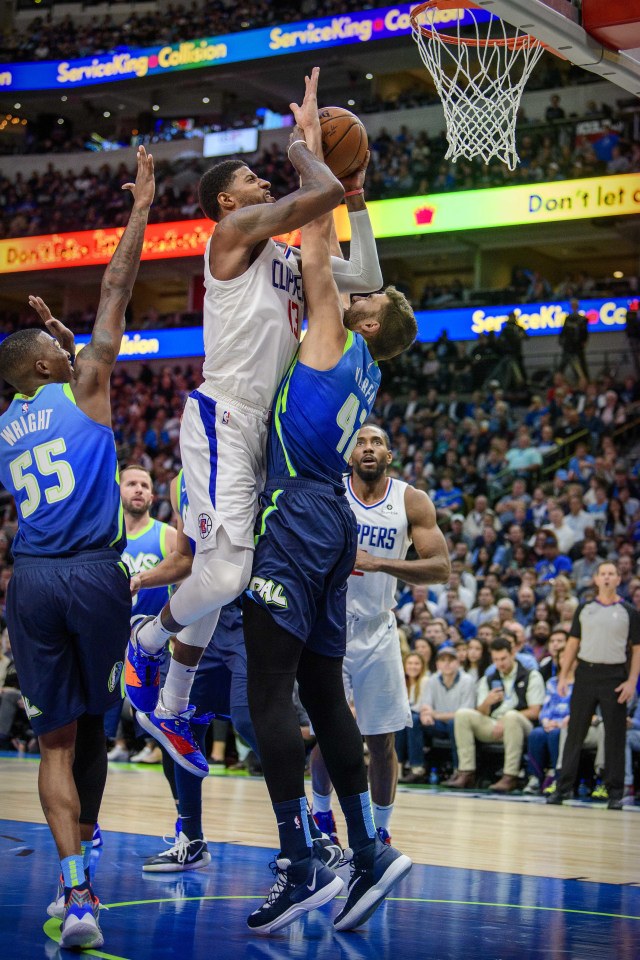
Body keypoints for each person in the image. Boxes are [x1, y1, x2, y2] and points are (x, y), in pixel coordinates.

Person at [125, 69, 383, 771]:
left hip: (255, 432)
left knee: (219, 569)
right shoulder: (234, 233)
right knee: (230, 573)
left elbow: (363, 277)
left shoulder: (284, 256)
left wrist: (352, 197)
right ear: (228, 200)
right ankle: (143, 648)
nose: (263, 181)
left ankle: (172, 707)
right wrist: (309, 145)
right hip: (223, 414)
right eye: (251, 175)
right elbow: (316, 191)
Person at [242, 118, 417, 933]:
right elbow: (347, 264)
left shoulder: (331, 335)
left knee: (268, 691)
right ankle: (370, 850)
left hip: (298, 515)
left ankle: (299, 859)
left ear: (367, 321)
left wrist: (310, 151)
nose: (356, 292)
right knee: (321, 692)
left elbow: (316, 246)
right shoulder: (366, 370)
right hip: (334, 521)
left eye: (366, 300)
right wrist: (344, 190)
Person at [0, 146, 155, 951]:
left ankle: (76, 894)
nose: (71, 351)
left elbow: (63, 363)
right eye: (58, 351)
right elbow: (117, 289)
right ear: (45, 367)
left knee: (53, 738)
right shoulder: (85, 382)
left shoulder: (5, 425)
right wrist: (138, 208)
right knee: (97, 725)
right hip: (94, 573)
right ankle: (85, 869)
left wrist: (61, 338)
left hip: (30, 579)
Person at [310, 424, 450, 829]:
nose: (368, 448)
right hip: (329, 625)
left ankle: (381, 832)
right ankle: (322, 816)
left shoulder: (411, 500)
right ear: (349, 455)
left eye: (377, 443)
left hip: (378, 628)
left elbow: (441, 568)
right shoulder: (330, 491)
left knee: (382, 740)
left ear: (389, 455)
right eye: (360, 442)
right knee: (330, 732)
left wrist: (379, 562)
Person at [548, 561, 640, 809]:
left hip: (615, 677)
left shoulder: (629, 612)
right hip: (586, 675)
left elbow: (636, 649)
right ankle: (563, 787)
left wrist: (632, 681)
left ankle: (615, 793)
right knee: (574, 733)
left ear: (619, 579)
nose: (608, 577)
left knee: (614, 736)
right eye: (603, 574)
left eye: (612, 573)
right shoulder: (584, 608)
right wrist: (564, 676)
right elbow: (572, 644)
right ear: (596, 579)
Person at [111, 464, 177, 764]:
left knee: (149, 704)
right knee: (113, 700)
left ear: (152, 495)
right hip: (113, 636)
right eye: (131, 484)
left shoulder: (169, 536)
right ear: (118, 491)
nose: (139, 489)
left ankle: (154, 746)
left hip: (155, 641)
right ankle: (120, 743)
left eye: (144, 485)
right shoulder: (106, 538)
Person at [447, 636, 544, 792]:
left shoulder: (531, 676)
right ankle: (466, 773)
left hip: (521, 725)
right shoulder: (489, 678)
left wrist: (506, 718)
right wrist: (487, 702)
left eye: (503, 658)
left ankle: (510, 776)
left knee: (512, 716)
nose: (500, 663)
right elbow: (481, 712)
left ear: (513, 653)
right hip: (494, 724)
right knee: (463, 714)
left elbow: (535, 711)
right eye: (496, 659)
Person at [420, 643, 475, 777]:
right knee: (415, 721)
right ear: (438, 664)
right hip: (438, 725)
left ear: (458, 663)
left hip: (459, 724)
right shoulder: (433, 679)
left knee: (455, 723)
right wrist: (424, 714)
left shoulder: (467, 680)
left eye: (450, 660)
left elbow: (465, 713)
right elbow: (426, 705)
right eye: (443, 660)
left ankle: (458, 770)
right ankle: (417, 768)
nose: (447, 664)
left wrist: (436, 715)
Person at [395, 652, 430, 783]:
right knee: (399, 722)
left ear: (422, 666)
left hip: (423, 718)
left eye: (416, 663)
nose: (413, 666)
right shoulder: (401, 682)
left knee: (411, 720)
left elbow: (422, 707)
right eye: (410, 663)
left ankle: (417, 768)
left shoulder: (425, 681)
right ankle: (397, 767)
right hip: (407, 717)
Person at [558, 300, 589, 381]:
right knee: (562, 365)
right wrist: (561, 341)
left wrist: (584, 342)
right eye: (572, 305)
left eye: (575, 305)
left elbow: (585, 333)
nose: (574, 307)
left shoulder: (582, 319)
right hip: (568, 346)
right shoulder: (568, 318)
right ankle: (557, 380)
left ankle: (585, 381)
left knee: (581, 365)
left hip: (577, 347)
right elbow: (563, 331)